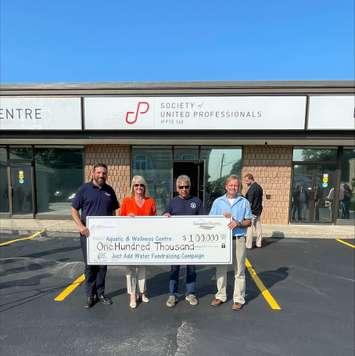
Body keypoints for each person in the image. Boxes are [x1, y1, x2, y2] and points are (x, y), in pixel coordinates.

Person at [71, 163, 119, 309]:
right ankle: (89, 295)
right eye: (98, 172)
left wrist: (112, 228)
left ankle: (101, 293)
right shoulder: (84, 189)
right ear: (93, 173)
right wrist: (80, 226)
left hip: (104, 237)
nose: (101, 175)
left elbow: (113, 211)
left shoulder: (109, 190)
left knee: (103, 266)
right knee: (90, 265)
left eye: (104, 173)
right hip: (88, 235)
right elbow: (74, 210)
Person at [209, 175, 252, 311]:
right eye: (231, 185)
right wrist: (222, 219)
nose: (233, 187)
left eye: (236, 185)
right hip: (223, 240)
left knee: (239, 270)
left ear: (239, 187)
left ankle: (238, 298)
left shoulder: (244, 202)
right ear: (226, 186)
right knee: (221, 269)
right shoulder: (218, 202)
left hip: (238, 238)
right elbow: (211, 221)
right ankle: (220, 295)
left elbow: (249, 221)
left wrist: (238, 222)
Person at [164, 175, 204, 308]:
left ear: (189, 187)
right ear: (177, 188)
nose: (184, 189)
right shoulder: (172, 202)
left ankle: (190, 293)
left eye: (186, 186)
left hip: (192, 242)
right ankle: (172, 294)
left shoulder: (197, 201)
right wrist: (165, 215)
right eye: (181, 187)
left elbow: (204, 221)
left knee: (191, 268)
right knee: (174, 268)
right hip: (176, 242)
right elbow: (165, 215)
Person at [119, 175, 157, 309]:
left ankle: (142, 292)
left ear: (144, 187)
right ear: (132, 187)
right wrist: (126, 218)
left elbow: (154, 221)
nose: (139, 187)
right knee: (130, 268)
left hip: (145, 241)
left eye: (141, 185)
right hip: (130, 240)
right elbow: (120, 220)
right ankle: (132, 294)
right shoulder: (127, 201)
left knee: (142, 267)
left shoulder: (150, 201)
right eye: (136, 185)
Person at [244, 173, 263, 249]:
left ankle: (248, 245)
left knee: (249, 227)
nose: (245, 182)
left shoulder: (252, 189)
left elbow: (249, 202)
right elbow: (261, 199)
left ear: (250, 179)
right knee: (258, 227)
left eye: (246, 180)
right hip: (258, 210)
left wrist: (246, 212)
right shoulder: (259, 187)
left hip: (252, 211)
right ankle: (259, 243)